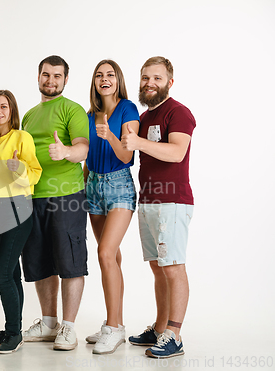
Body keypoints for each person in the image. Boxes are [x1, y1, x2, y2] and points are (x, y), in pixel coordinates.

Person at [121, 56, 195, 359]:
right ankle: (160, 326)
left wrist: (138, 143)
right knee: (157, 267)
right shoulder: (144, 115)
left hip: (173, 201)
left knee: (173, 267)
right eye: (145, 78)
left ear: (169, 82)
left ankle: (174, 335)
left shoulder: (178, 113)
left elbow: (177, 152)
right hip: (149, 201)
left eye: (157, 78)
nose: (150, 83)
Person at [21, 55, 89, 351]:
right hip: (33, 196)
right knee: (40, 262)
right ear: (38, 78)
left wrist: (65, 152)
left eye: (57, 76)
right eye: (46, 75)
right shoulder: (28, 115)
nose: (50, 80)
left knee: (70, 262)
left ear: (65, 80)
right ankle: (49, 323)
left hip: (67, 195)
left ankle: (69, 328)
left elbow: (82, 149)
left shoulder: (71, 110)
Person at [0, 90, 42, 354]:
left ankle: (14, 333)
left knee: (1, 273)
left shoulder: (21, 137)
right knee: (11, 273)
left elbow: (35, 172)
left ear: (12, 110)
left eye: (3, 107)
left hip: (18, 209)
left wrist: (19, 169)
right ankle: (12, 328)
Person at [82, 60, 140, 354]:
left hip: (119, 186)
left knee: (104, 253)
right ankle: (112, 322)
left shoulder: (128, 109)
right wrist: (82, 189)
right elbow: (86, 157)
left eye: (110, 75)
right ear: (94, 81)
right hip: (93, 185)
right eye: (99, 75)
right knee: (111, 257)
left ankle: (114, 328)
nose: (104, 79)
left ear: (118, 80)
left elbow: (127, 155)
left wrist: (111, 135)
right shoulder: (89, 114)